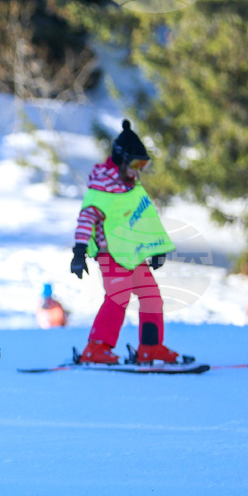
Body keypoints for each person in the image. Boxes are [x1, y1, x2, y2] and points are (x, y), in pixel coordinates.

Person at [70, 120, 179, 364]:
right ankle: (96, 349)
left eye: (143, 165)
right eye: (135, 164)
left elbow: (145, 217)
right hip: (111, 254)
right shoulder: (102, 186)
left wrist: (157, 246)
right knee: (118, 296)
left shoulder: (131, 186)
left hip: (133, 254)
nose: (138, 171)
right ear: (121, 160)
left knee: (151, 296)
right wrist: (79, 252)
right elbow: (87, 217)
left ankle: (151, 348)